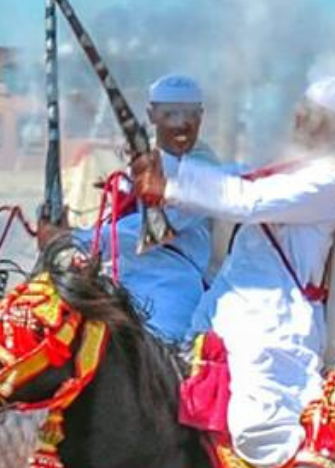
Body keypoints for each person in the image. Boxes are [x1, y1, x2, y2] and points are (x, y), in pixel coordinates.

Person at [134, 75, 335, 468]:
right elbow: (229, 181)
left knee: (259, 433)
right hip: (220, 319)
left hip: (273, 330)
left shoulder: (325, 181)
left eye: (321, 118)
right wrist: (158, 167)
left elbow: (245, 200)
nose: (305, 122)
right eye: (306, 111)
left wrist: (170, 184)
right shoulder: (283, 169)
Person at [50, 73, 220, 347]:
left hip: (172, 279)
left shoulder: (205, 168)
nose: (182, 123)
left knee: (161, 348)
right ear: (152, 115)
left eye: (190, 114)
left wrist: (74, 238)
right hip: (119, 272)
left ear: (201, 115)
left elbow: (157, 229)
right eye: (170, 114)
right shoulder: (142, 159)